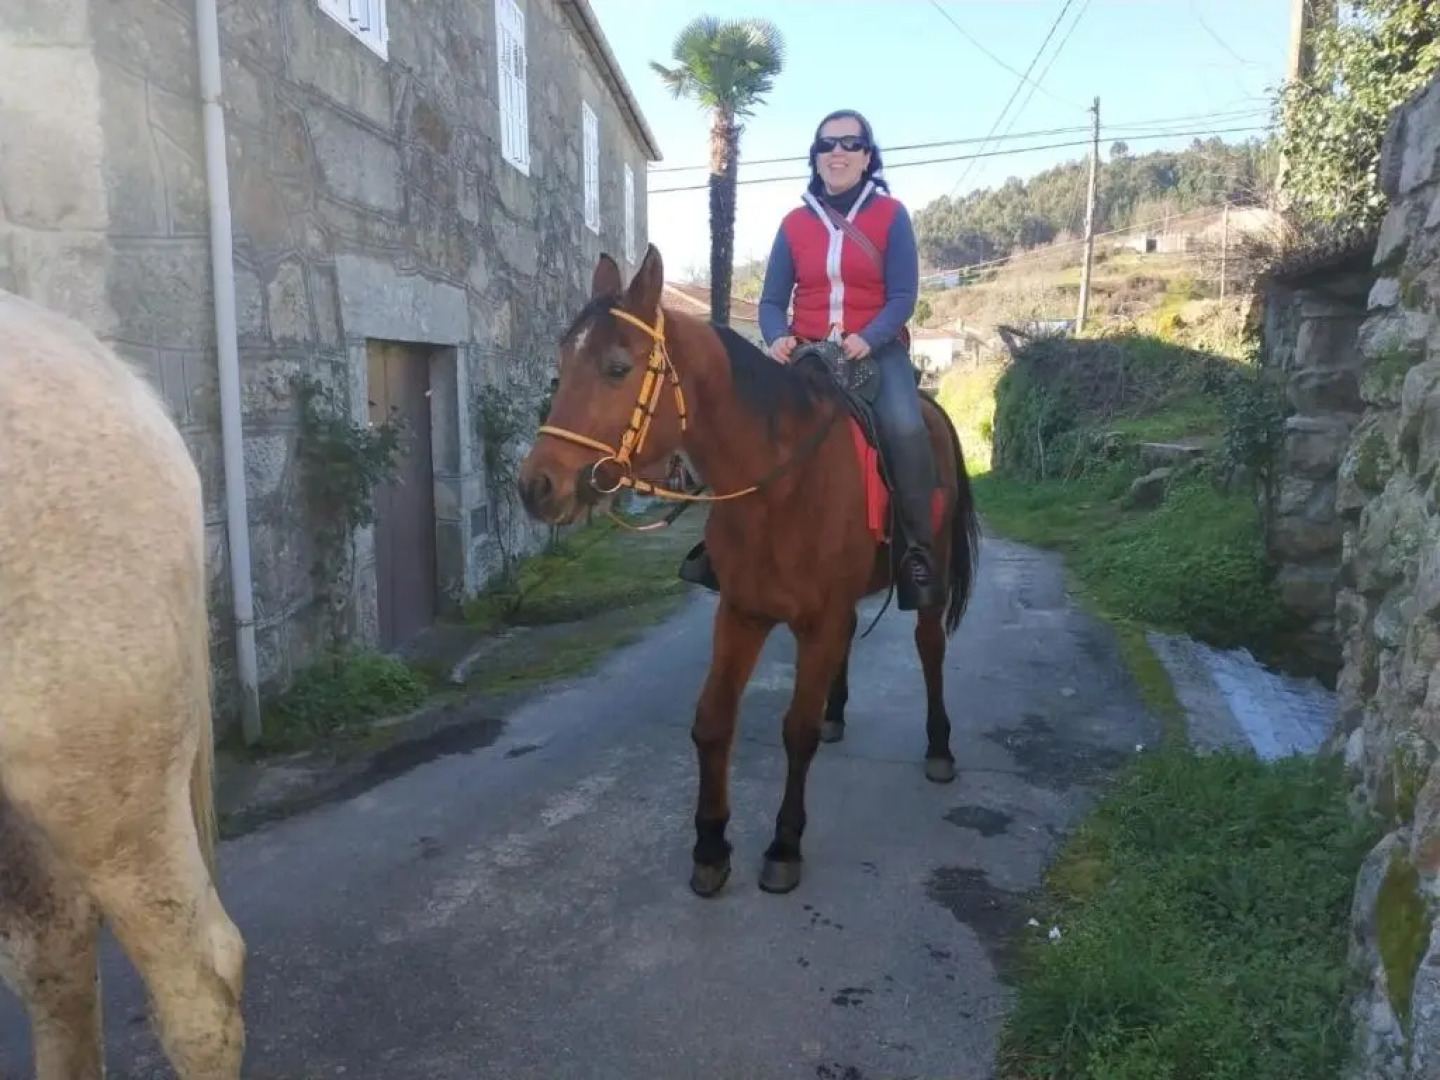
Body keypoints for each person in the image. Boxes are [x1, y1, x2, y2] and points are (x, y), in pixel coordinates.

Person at [754, 108, 941, 611]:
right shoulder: (793, 225)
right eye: (826, 145)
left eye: (849, 144)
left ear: (867, 157)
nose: (836, 152)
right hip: (807, 354)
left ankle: (917, 554)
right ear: (815, 158)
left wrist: (871, 336)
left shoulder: (891, 215)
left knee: (905, 427)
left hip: (875, 352)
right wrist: (776, 337)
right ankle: (729, 545)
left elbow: (903, 295)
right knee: (749, 423)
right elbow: (771, 301)